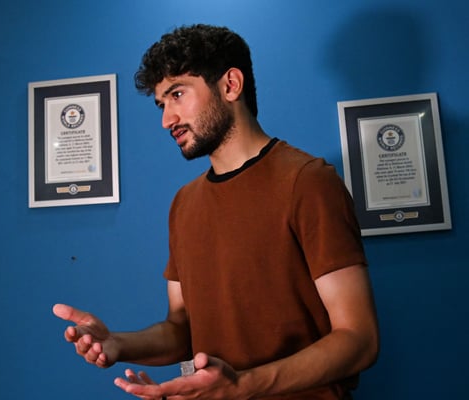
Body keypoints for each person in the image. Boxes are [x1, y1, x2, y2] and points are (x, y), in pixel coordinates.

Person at [53, 24, 379, 400]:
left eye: (177, 94)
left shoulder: (308, 182)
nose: (167, 119)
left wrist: (242, 386)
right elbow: (181, 329)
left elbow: (360, 338)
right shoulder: (184, 204)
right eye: (162, 104)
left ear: (230, 85)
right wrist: (116, 343)